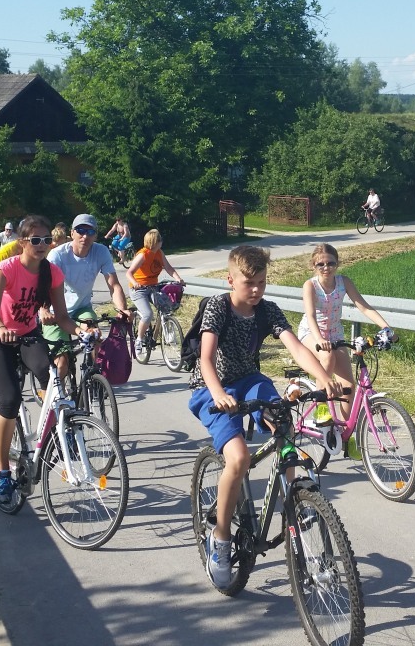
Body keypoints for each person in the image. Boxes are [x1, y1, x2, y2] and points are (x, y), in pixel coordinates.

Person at [187, 245, 341, 589]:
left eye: (262, 282)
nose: (256, 289)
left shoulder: (267, 310)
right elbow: (206, 359)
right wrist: (218, 394)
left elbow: (296, 347)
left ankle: (292, 504)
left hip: (249, 380)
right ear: (231, 280)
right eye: (249, 283)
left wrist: (322, 377)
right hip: (212, 388)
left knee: (283, 420)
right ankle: (220, 540)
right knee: (238, 458)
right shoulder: (218, 308)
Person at [0, 215, 82, 504]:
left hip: (27, 335)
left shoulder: (51, 273)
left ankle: (54, 435)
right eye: (35, 240)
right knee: (10, 399)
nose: (42, 244)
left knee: (51, 377)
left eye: (46, 240)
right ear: (22, 242)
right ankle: (1, 471)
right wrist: (1, 328)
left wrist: (82, 330)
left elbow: (62, 318)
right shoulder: (7, 268)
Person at [296, 243, 393, 428]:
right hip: (311, 332)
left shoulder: (344, 282)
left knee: (348, 386)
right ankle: (321, 407)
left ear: (337, 264)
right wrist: (320, 340)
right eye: (321, 264)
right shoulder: (310, 285)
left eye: (330, 263)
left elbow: (364, 307)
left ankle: (347, 430)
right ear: (314, 266)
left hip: (335, 334)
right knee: (327, 357)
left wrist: (386, 328)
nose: (326, 268)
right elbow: (310, 316)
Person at [44, 213, 129, 377]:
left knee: (94, 337)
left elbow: (114, 285)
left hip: (81, 308)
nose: (85, 236)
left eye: (90, 232)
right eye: (80, 231)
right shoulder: (57, 255)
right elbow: (45, 286)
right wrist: (44, 309)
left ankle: (91, 381)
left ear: (95, 235)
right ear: (72, 233)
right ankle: (57, 393)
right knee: (61, 364)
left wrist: (122, 310)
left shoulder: (101, 251)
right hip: (56, 312)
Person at [125, 228, 186, 359]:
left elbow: (168, 268)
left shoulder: (159, 253)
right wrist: (135, 283)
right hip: (139, 290)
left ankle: (167, 330)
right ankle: (139, 340)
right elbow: (129, 273)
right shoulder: (143, 255)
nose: (162, 242)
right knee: (148, 314)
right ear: (155, 242)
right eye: (160, 240)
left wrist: (178, 279)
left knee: (167, 306)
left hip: (153, 287)